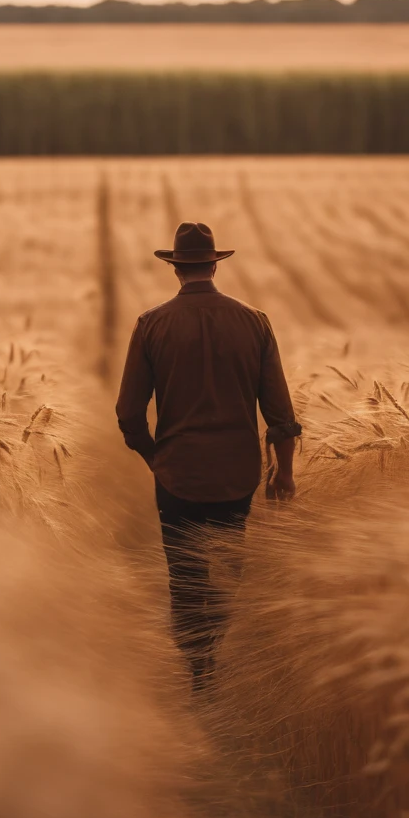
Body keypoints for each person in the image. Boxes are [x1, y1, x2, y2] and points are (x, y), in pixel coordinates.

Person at [116, 221, 301, 689]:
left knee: (185, 575)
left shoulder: (151, 325)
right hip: (237, 475)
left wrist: (155, 458)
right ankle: (214, 651)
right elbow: (280, 412)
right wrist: (285, 474)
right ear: (215, 264)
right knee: (225, 567)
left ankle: (197, 668)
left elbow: (128, 414)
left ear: (175, 268)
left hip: (177, 476)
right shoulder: (255, 321)